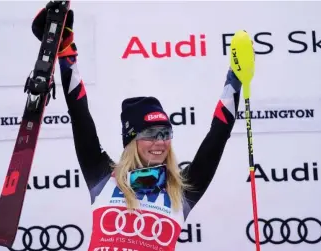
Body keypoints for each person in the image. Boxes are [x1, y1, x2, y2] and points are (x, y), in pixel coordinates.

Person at [32, 5, 249, 251]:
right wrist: (65, 51)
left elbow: (218, 136)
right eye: (150, 134)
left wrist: (236, 78)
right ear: (132, 140)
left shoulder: (183, 189)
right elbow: (80, 116)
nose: (160, 142)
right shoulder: (103, 177)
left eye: (166, 134)